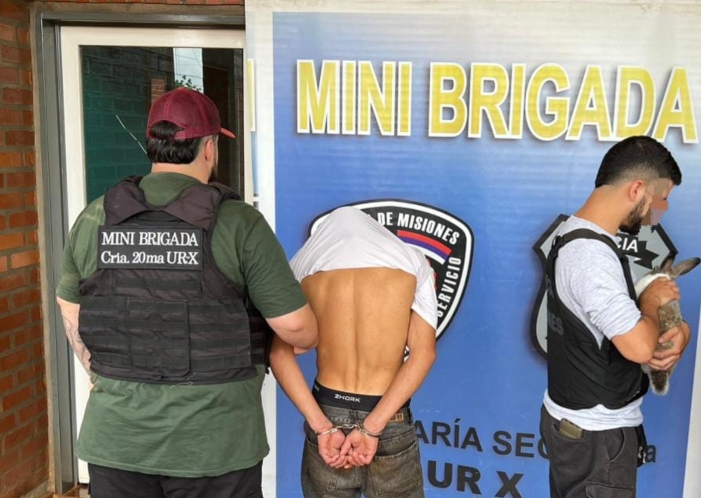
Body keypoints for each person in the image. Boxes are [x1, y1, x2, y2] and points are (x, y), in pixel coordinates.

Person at [55, 87, 318, 498]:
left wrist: (100, 373)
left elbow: (69, 307)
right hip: (214, 448)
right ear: (209, 148)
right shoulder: (239, 223)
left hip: (117, 442)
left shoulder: (95, 217)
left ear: (152, 145)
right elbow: (297, 328)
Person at [540, 135, 692, 497]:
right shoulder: (591, 256)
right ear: (637, 189)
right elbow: (640, 348)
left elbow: (616, 328)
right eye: (660, 200)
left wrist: (680, 331)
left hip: (582, 427)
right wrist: (652, 299)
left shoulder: (575, 236)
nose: (660, 212)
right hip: (597, 437)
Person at [271, 206, 437, 497]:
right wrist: (372, 426)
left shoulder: (302, 267)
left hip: (327, 410)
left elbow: (278, 355)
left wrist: (322, 427)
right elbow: (424, 354)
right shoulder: (412, 264)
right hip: (388, 415)